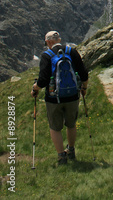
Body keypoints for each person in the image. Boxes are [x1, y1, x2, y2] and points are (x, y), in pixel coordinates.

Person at [31, 30, 89, 165]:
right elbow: (84, 73)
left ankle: (61, 156)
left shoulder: (47, 56)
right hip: (73, 96)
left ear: (48, 42)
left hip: (53, 98)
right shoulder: (72, 52)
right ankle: (72, 151)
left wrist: (35, 88)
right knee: (71, 124)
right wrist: (84, 88)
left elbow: (43, 80)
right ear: (59, 40)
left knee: (55, 127)